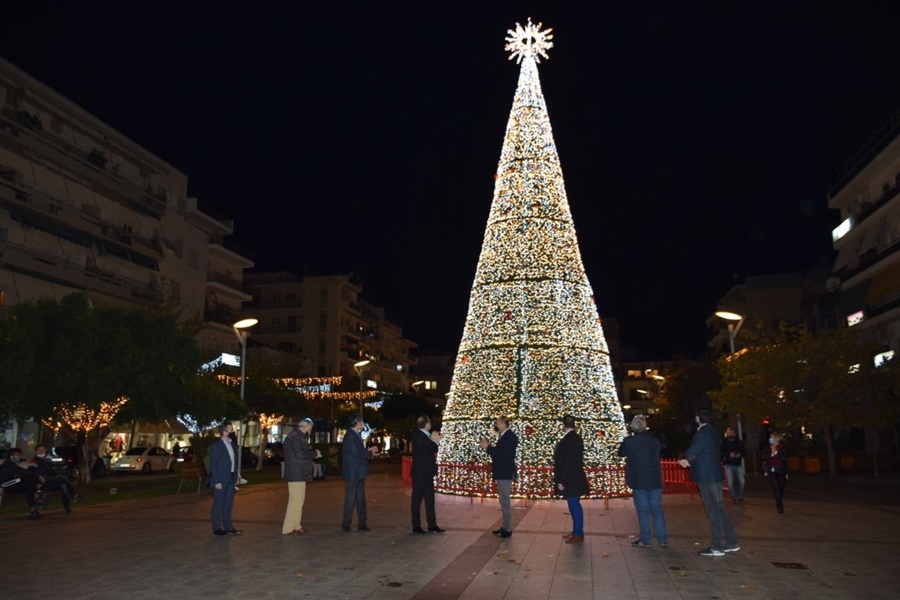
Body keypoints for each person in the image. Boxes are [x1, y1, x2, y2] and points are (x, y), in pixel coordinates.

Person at [678, 407, 740, 557]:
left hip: (707, 476)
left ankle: (717, 546)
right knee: (719, 509)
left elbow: (694, 450)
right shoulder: (713, 431)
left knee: (713, 510)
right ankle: (732, 542)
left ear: (698, 418)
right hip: (715, 474)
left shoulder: (702, 433)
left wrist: (687, 460)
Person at [618, 415, 668, 548]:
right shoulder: (654, 441)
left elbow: (621, 453)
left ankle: (646, 538)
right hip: (655, 479)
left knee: (643, 510)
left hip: (639, 480)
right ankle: (662, 538)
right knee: (657, 509)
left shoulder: (629, 442)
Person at [479, 415, 518, 538]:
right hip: (502, 472)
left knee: (505, 501)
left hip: (505, 473)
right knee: (503, 501)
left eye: (497, 423)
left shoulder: (510, 437)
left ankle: (508, 529)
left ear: (503, 424)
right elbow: (500, 453)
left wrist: (488, 448)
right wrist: (490, 448)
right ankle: (505, 526)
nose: (495, 425)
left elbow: (503, 454)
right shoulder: (505, 437)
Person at [554, 414, 590, 544]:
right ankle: (576, 531)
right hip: (574, 477)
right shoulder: (575, 438)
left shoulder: (570, 439)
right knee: (573, 504)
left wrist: (561, 480)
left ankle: (578, 533)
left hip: (571, 479)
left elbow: (567, 462)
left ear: (563, 425)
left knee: (574, 505)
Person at [282, 418, 321, 535]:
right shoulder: (295, 437)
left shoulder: (298, 436)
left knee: (298, 502)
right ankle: (289, 527)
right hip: (296, 473)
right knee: (295, 502)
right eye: (310, 427)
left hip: (299, 473)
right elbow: (299, 454)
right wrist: (314, 453)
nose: (311, 429)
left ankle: (296, 525)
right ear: (304, 426)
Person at [341, 413, 379, 531]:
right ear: (357, 423)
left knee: (360, 498)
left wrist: (368, 450)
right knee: (351, 498)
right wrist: (369, 453)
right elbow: (356, 453)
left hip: (358, 472)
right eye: (361, 421)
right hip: (353, 473)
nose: (362, 424)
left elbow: (358, 451)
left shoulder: (355, 435)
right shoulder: (351, 436)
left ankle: (362, 523)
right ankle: (347, 523)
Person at [411, 415, 445, 534]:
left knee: (430, 499)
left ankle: (432, 524)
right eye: (429, 423)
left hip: (426, 473)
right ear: (426, 425)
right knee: (417, 499)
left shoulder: (422, 436)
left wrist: (434, 440)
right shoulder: (420, 437)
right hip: (420, 473)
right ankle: (416, 525)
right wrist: (435, 440)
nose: (430, 425)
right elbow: (431, 449)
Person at [208, 422, 242, 536]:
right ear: (224, 431)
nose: (233, 431)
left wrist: (237, 475)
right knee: (218, 503)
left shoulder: (232, 444)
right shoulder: (217, 445)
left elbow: (234, 462)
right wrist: (216, 481)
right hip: (221, 479)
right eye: (230, 429)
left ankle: (228, 527)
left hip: (231, 477)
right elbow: (213, 464)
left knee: (228, 503)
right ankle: (216, 528)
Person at [30, 444, 83, 514]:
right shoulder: (34, 461)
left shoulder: (47, 460)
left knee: (63, 486)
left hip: (50, 480)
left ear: (45, 450)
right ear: (36, 451)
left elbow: (53, 472)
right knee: (62, 478)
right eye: (39, 450)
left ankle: (67, 508)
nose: (41, 451)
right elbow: (34, 473)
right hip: (43, 482)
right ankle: (74, 495)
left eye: (42, 450)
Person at [0, 447, 44, 518]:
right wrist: (38, 476)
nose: (19, 457)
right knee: (26, 478)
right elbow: (22, 471)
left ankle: (32, 510)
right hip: (4, 485)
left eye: (20, 455)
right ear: (11, 456)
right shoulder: (8, 464)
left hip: (11, 485)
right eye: (17, 455)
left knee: (29, 486)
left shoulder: (12, 464)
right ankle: (37, 496)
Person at [761, 432, 788, 514]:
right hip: (771, 469)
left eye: (772, 437)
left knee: (781, 487)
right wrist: (771, 454)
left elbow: (784, 458)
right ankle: (779, 504)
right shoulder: (768, 447)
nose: (770, 439)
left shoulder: (783, 448)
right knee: (776, 486)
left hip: (781, 469)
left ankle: (779, 499)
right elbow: (764, 457)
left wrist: (776, 453)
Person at [720, 427, 745, 503]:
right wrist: (728, 455)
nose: (730, 434)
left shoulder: (738, 442)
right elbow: (721, 452)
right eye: (728, 433)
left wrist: (739, 455)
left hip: (738, 464)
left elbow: (744, 451)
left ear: (734, 434)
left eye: (731, 433)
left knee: (742, 481)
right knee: (730, 483)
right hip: (729, 464)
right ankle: (733, 496)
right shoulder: (724, 442)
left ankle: (740, 496)